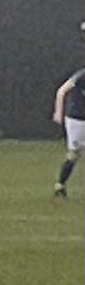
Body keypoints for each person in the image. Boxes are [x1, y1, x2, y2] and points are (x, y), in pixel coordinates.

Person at [51, 68, 85, 198]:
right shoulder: (81, 76)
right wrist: (58, 112)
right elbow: (62, 91)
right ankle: (60, 185)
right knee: (74, 154)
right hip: (76, 119)